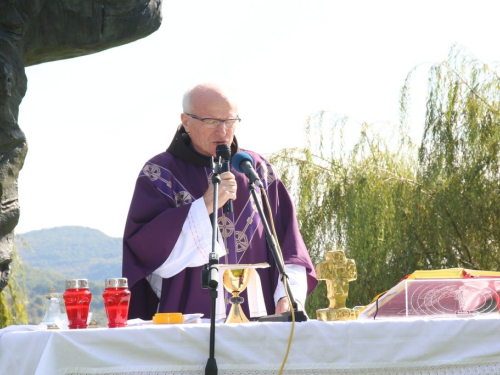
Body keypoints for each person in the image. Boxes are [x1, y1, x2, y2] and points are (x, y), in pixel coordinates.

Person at [122, 82, 317, 320]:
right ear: (186, 121)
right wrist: (204, 206)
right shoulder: (160, 174)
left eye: (230, 121)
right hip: (190, 324)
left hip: (261, 322)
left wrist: (288, 295)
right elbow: (146, 254)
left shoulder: (256, 170)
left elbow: (290, 246)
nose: (223, 131)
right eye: (212, 121)